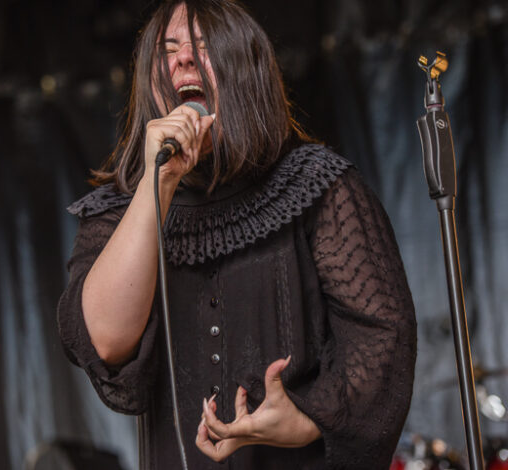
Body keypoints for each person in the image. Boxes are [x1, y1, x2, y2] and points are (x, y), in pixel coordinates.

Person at [57, 1, 417, 468]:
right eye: (167, 50)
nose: (184, 58)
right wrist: (157, 184)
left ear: (245, 69)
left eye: (203, 45)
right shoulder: (119, 210)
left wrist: (308, 420)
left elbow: (383, 333)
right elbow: (105, 342)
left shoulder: (317, 187)